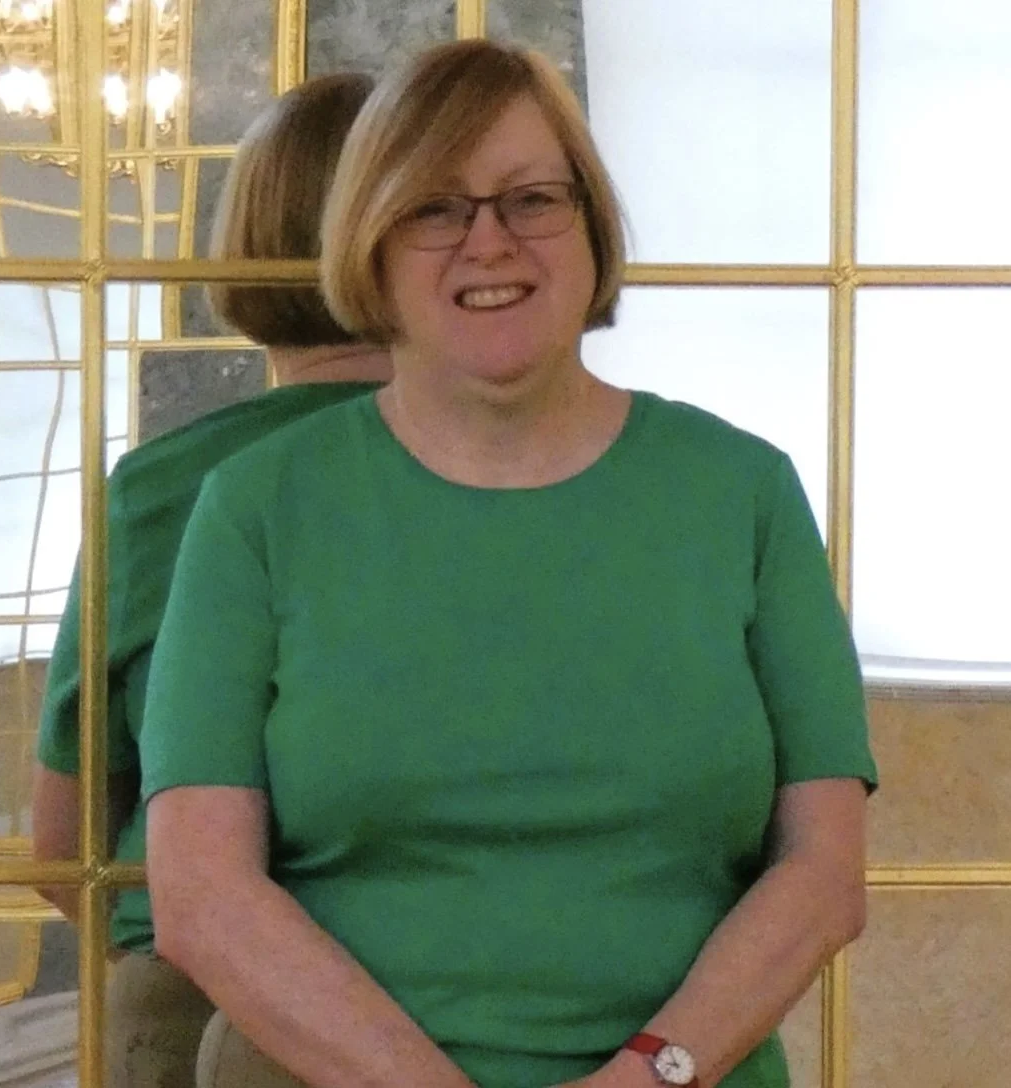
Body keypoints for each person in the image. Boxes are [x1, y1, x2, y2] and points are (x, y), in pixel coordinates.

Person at [141, 40, 877, 1088]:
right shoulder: (256, 507)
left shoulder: (744, 491)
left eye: (532, 199)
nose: (488, 241)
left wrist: (647, 1075)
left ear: (591, 227)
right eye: (434, 208)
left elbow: (822, 873)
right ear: (369, 244)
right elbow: (200, 895)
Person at [30, 72, 389, 1087]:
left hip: (180, 990)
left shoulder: (156, 491)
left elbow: (61, 839)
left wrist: (178, 931)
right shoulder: (525, 477)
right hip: (448, 985)